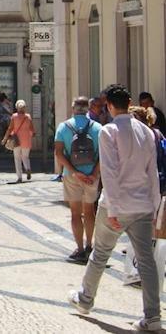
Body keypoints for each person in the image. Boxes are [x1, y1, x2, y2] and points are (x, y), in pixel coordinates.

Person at [69, 85, 161, 331]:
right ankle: (152, 317)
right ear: (129, 102)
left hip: (116, 205)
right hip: (143, 205)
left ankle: (86, 299)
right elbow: (152, 172)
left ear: (109, 105)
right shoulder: (146, 132)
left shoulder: (109, 131)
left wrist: (114, 210)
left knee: (100, 253)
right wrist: (154, 207)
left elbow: (109, 173)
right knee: (147, 261)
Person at [55, 96, 103, 262]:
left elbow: (59, 154)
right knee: (89, 211)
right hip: (91, 176)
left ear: (73, 108)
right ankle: (90, 246)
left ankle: (80, 248)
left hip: (72, 176)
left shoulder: (63, 127)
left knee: (75, 214)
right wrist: (94, 173)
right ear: (88, 108)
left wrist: (74, 172)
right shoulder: (98, 128)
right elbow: (104, 154)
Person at [4, 100, 35, 184]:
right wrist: (31, 135)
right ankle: (27, 168)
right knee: (25, 157)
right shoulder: (28, 117)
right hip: (26, 140)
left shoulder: (14, 116)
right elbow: (32, 129)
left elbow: (10, 128)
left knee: (17, 158)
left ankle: (19, 177)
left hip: (16, 140)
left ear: (17, 107)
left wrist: (5, 138)